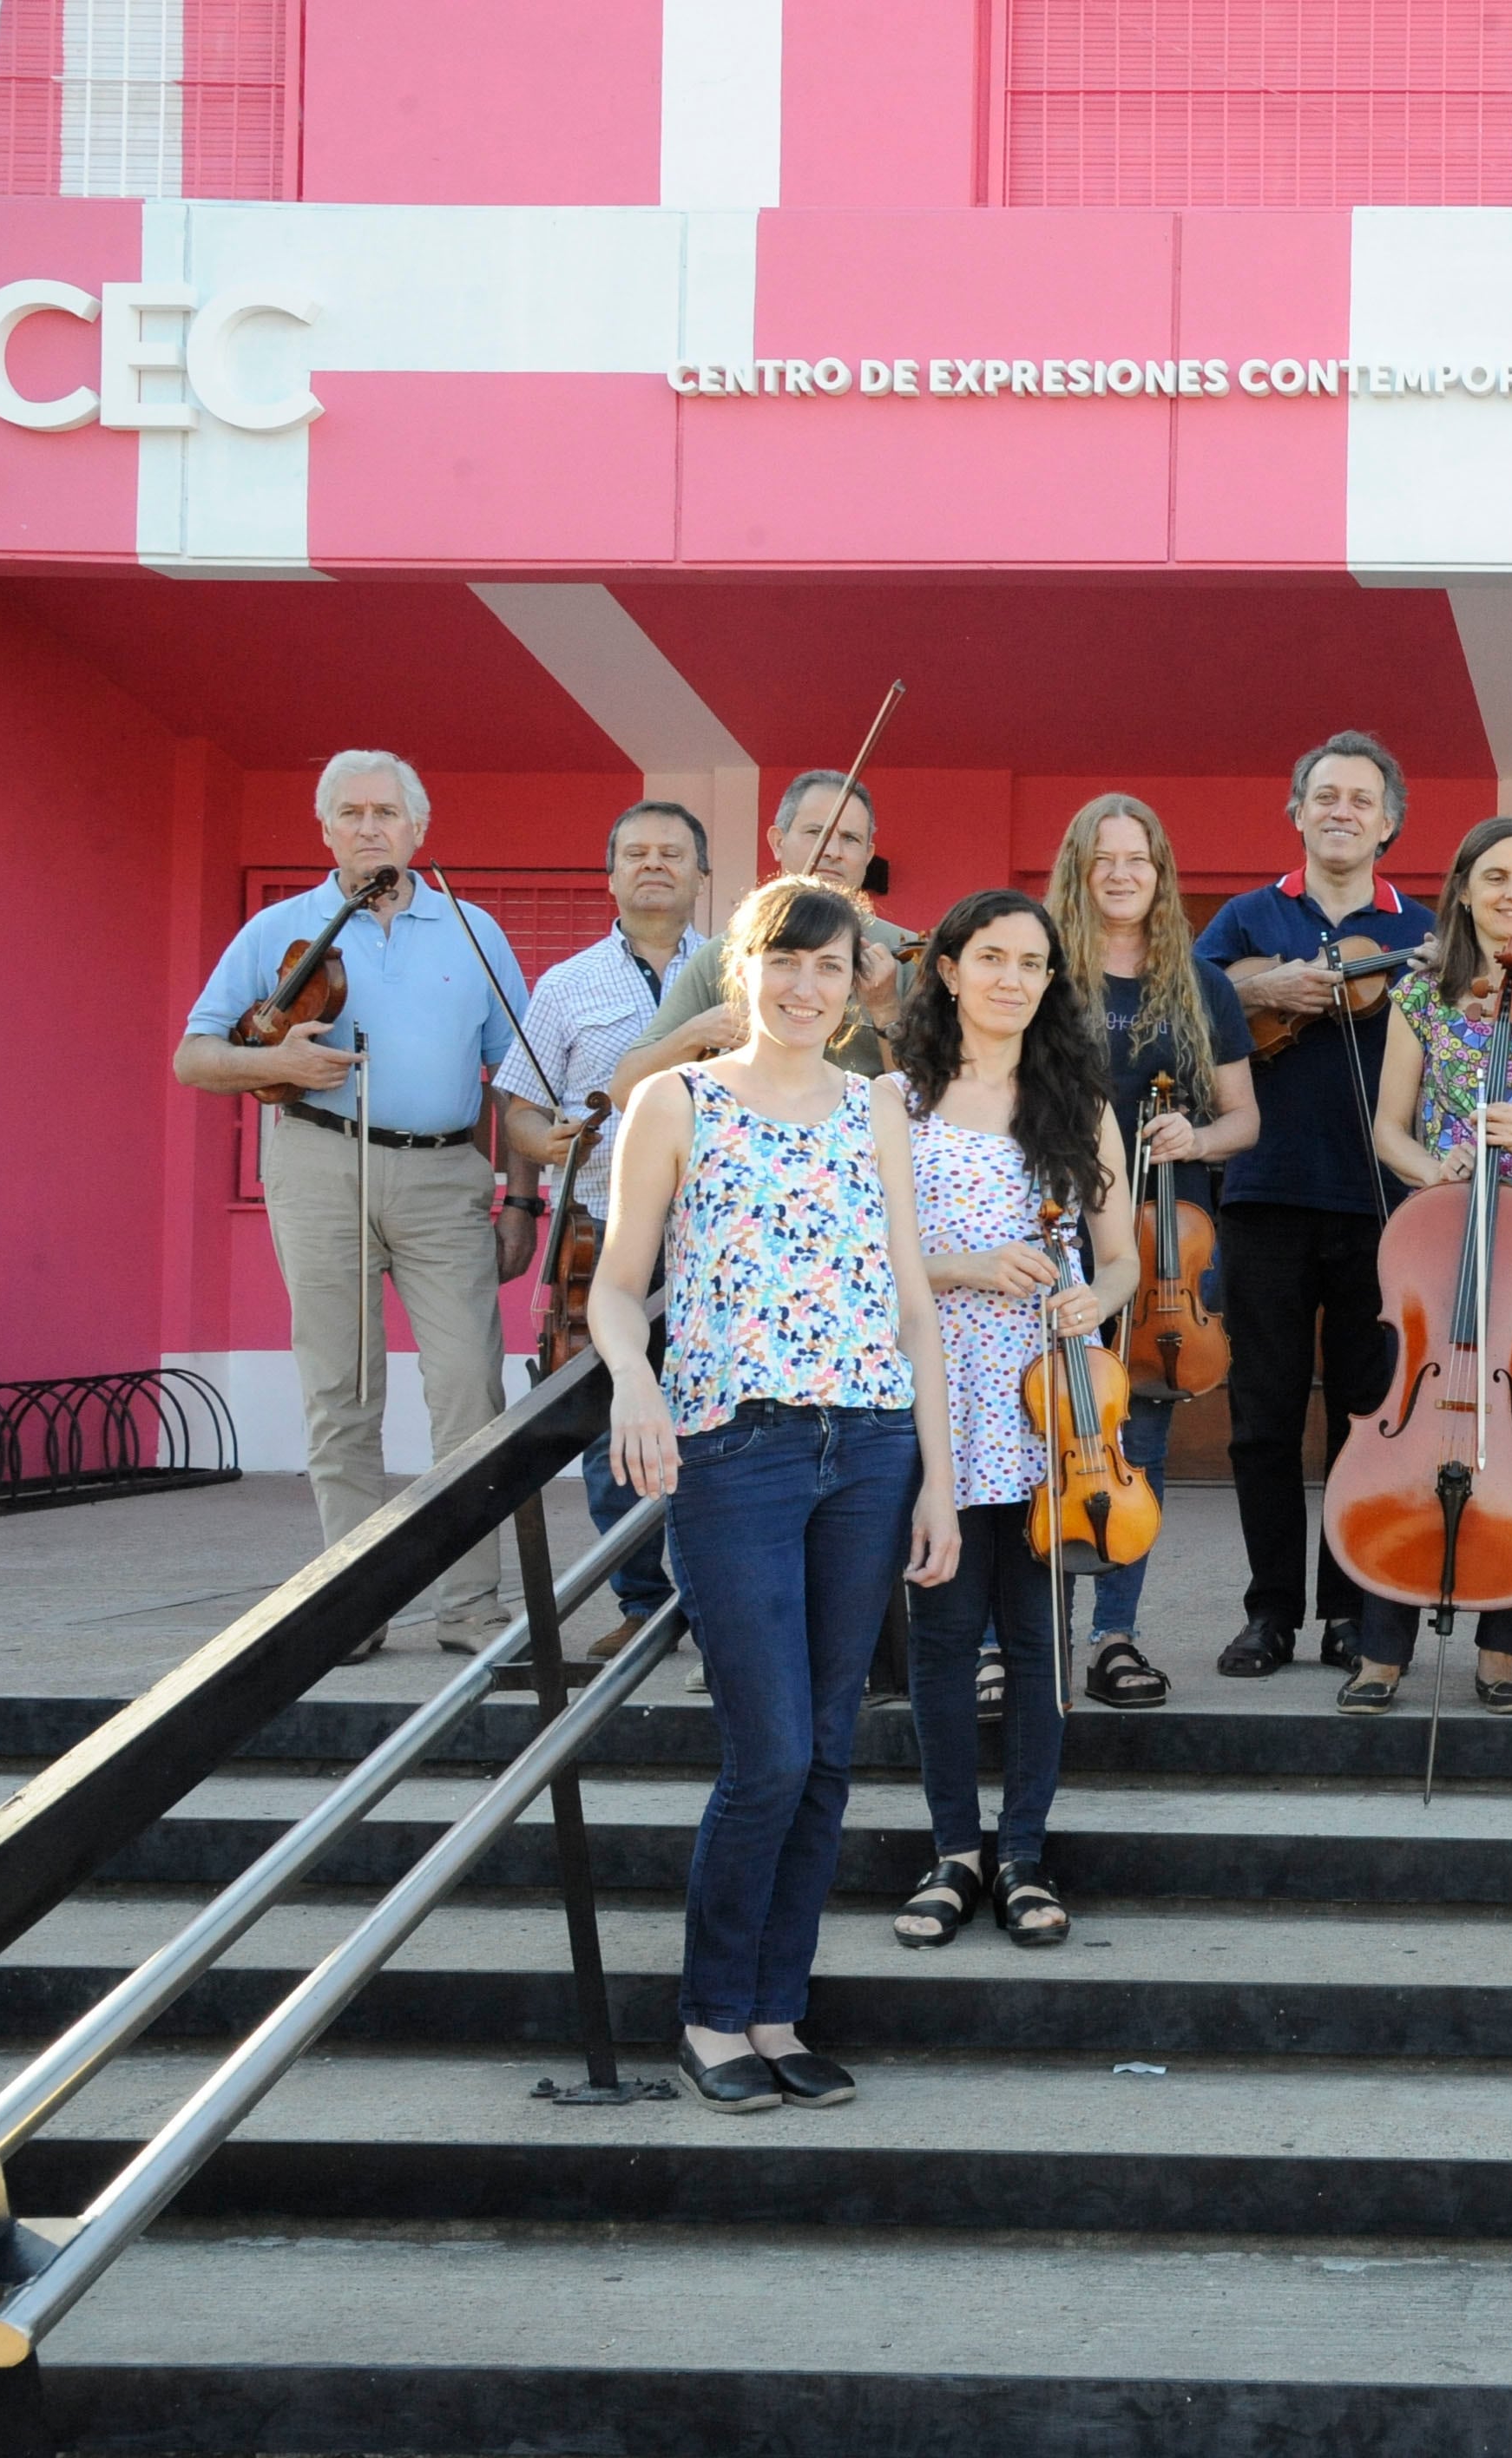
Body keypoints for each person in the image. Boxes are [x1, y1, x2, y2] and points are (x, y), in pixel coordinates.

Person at [588, 875, 958, 2114]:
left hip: (867, 1450)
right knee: (772, 1751)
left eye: (830, 966)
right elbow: (615, 1280)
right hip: (734, 1453)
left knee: (834, 1752)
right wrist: (633, 1379)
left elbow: (914, 1303)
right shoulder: (674, 1100)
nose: (805, 987)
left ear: (859, 983)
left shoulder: (880, 1108)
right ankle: (709, 2014)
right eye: (782, 963)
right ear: (742, 968)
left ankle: (775, 2009)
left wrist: (937, 1485)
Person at [174, 751, 540, 1653]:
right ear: (325, 829)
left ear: (417, 829)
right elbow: (196, 1055)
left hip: (444, 1172)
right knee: (341, 1386)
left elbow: (519, 1078)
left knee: (468, 1388)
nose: (370, 826)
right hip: (318, 1163)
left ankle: (470, 1607)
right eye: (352, 812)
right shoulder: (279, 930)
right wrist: (278, 1065)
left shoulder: (472, 927)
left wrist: (523, 1199)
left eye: (387, 812)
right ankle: (354, 1602)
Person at [879, 889, 1136, 1951]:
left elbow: (1120, 1255)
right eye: (991, 958)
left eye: (1033, 965)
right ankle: (953, 1852)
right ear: (946, 969)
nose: (1012, 980)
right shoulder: (894, 1100)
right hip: (934, 1391)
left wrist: (1097, 1298)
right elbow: (871, 1255)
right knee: (941, 1638)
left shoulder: (1076, 1104)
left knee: (1036, 1640)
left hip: (1048, 1403)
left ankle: (1024, 1852)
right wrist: (964, 1267)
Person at [1343, 816, 1512, 1713]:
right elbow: (1389, 1127)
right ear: (1462, 888)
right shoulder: (1420, 998)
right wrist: (1436, 1171)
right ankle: (1382, 1649)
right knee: (1415, 1433)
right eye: (1495, 876)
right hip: (1441, 1242)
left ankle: (1500, 1648)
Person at [1197, 732, 1440, 1679]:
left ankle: (1347, 1611)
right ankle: (1269, 1613)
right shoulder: (1249, 914)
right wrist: (1264, 985)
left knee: (1363, 1416)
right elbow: (1195, 1002)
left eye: (1360, 799)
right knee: (1260, 1417)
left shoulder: (1421, 929)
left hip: (1379, 1201)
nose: (1341, 811)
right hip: (1262, 1195)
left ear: (1387, 822)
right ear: (1295, 812)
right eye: (1324, 796)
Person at [1042, 792, 1259, 1709]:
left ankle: (1114, 1636)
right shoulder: (1041, 970)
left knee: (1140, 1431)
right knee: (1035, 1422)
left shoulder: (1201, 982)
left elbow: (1244, 1119)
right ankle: (1018, 1632)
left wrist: (1193, 1139)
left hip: (1166, 1242)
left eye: (1139, 859)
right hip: (1052, 1225)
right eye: (1105, 860)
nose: (1123, 874)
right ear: (1078, 872)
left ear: (1161, 874)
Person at [498, 797, 709, 1658]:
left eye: (672, 852)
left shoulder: (741, 972)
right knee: (613, 1408)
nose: (654, 864)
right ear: (611, 874)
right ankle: (640, 1600)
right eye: (636, 853)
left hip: (713, 1229)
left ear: (701, 874)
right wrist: (537, 1140)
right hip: (603, 1225)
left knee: (712, 1413)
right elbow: (518, 1107)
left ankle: (710, 1597)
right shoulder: (565, 985)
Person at [612, 771, 910, 1101]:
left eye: (850, 839)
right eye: (816, 832)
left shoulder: (906, 955)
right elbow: (627, 1090)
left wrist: (886, 1011)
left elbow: (934, 1106)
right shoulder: (726, 951)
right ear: (778, 842)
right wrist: (696, 1032)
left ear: (868, 856)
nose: (833, 851)